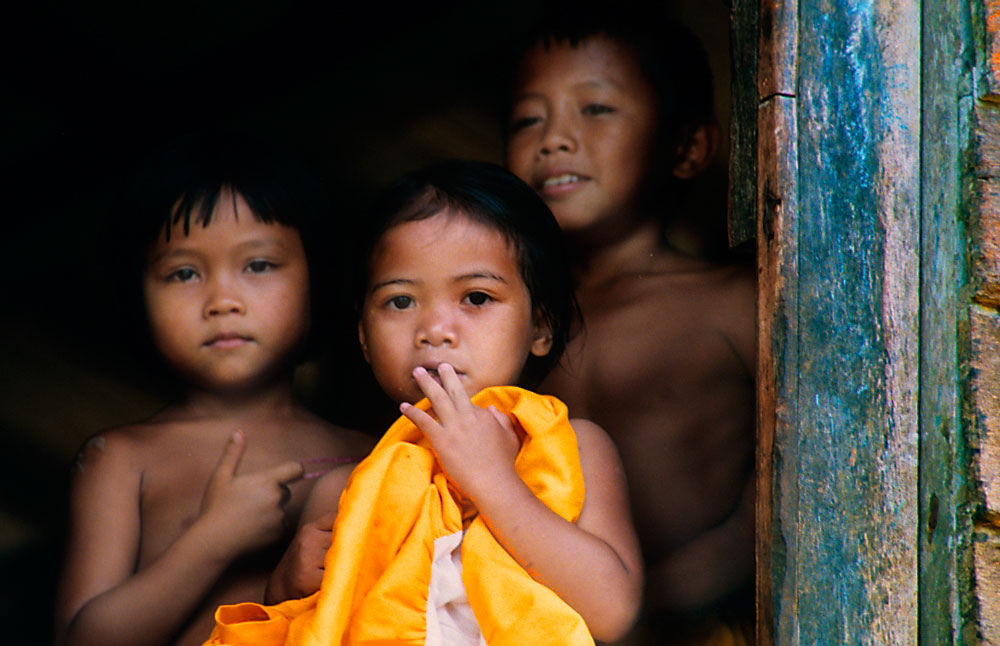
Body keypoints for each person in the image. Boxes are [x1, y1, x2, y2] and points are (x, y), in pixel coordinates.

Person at [205, 160, 643, 645]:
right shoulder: (347, 491)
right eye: (400, 302)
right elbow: (311, 628)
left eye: (476, 298)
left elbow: (613, 613)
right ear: (364, 338)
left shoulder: (573, 449)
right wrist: (285, 583)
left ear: (540, 326)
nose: (435, 330)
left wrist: (494, 481)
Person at [54, 134, 375, 646]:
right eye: (184, 273)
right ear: (137, 294)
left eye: (258, 265)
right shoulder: (121, 458)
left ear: (319, 277)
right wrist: (213, 538)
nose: (222, 299)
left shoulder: (370, 454)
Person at [504, 8, 757, 645]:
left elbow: (790, 496)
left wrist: (651, 605)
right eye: (528, 118)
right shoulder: (501, 322)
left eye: (596, 109)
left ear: (687, 147)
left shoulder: (734, 303)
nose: (554, 139)